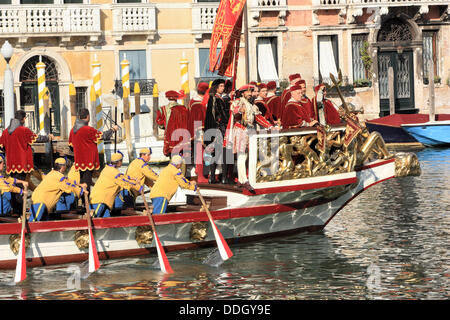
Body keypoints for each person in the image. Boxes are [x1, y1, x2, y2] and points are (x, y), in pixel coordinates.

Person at [0, 110, 53, 214]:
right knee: (21, 188)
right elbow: (37, 138)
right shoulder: (23, 130)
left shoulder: (6, 132)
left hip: (11, 165)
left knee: (15, 186)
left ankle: (15, 209)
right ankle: (20, 212)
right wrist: (49, 138)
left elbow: (1, 146)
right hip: (22, 165)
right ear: (23, 119)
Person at [228, 84, 273, 191]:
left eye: (251, 91)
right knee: (242, 155)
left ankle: (241, 178)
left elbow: (259, 118)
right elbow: (235, 112)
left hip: (249, 131)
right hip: (241, 130)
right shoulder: (239, 101)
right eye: (248, 92)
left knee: (247, 155)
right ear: (243, 93)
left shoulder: (252, 105)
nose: (250, 94)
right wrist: (239, 109)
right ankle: (243, 180)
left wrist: (270, 126)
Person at [68, 108, 119, 189]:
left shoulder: (72, 131)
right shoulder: (88, 129)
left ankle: (84, 198)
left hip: (79, 161)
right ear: (88, 116)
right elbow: (104, 136)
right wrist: (113, 129)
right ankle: (86, 199)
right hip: (88, 161)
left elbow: (71, 147)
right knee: (87, 182)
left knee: (83, 180)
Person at [29, 158, 87, 222]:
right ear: (62, 167)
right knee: (32, 223)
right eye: (65, 166)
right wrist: (81, 191)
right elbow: (67, 186)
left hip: (38, 201)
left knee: (42, 223)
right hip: (41, 202)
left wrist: (79, 184)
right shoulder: (59, 177)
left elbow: (67, 180)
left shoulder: (52, 173)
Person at [89, 152, 142, 218]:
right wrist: (139, 188)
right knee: (94, 219)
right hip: (100, 200)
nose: (122, 162)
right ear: (119, 162)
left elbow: (123, 177)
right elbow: (124, 182)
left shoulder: (107, 168)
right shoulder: (113, 172)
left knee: (106, 220)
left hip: (105, 202)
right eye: (121, 161)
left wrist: (132, 178)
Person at [204, 78, 232, 184]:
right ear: (216, 88)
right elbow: (213, 116)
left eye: (223, 86)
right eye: (220, 86)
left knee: (223, 153)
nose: (223, 88)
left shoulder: (221, 98)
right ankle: (215, 177)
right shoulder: (214, 99)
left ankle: (223, 177)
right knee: (218, 153)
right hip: (218, 129)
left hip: (222, 128)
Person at [156, 90, 190, 158]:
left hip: (170, 136)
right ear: (176, 98)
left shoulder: (163, 109)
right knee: (182, 157)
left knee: (172, 156)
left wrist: (165, 126)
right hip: (182, 136)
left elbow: (159, 122)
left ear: (168, 98)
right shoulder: (183, 108)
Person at [188, 82, 209, 183]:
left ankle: (198, 170)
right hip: (199, 130)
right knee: (201, 153)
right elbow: (202, 119)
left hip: (192, 129)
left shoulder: (192, 101)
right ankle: (200, 175)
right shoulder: (199, 105)